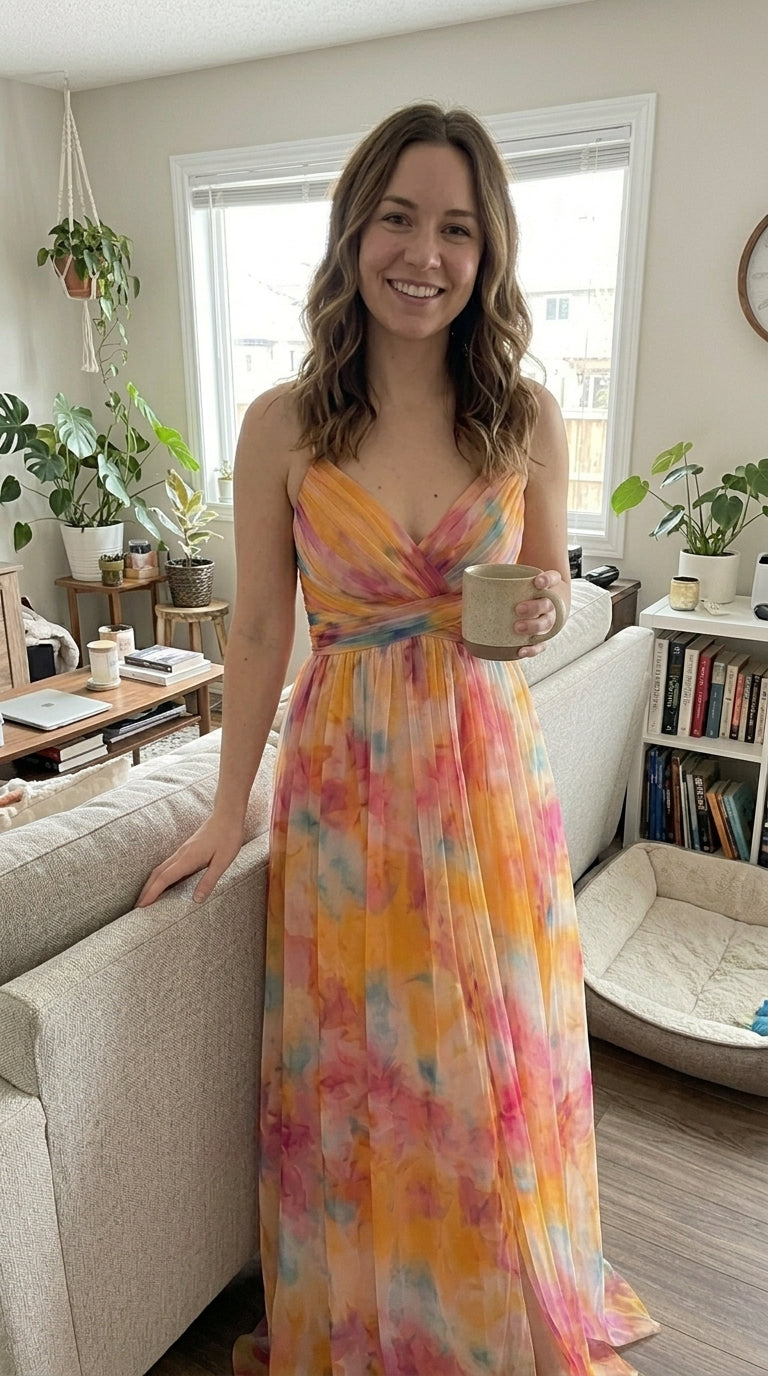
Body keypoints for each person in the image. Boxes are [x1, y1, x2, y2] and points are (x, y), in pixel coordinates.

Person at [139, 102, 658, 1376]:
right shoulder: (283, 422)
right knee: (369, 1058)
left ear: (489, 253)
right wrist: (226, 806)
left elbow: (549, 589)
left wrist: (542, 606)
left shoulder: (526, 414)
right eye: (399, 219)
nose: (425, 254)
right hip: (345, 786)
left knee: (494, 1043)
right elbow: (258, 628)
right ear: (353, 231)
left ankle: (496, 1303)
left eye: (458, 229)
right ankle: (383, 1313)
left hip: (486, 768)